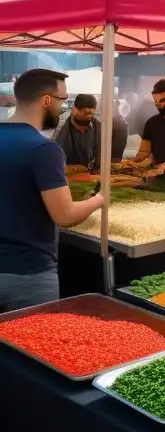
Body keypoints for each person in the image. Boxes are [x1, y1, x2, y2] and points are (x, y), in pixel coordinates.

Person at [0, 69, 105, 312]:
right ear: (47, 100)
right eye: (63, 100)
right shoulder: (43, 149)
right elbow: (65, 215)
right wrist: (100, 199)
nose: (64, 106)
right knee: (28, 349)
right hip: (27, 276)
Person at [53, 93, 101, 167]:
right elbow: (54, 158)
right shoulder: (60, 127)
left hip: (91, 174)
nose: (83, 129)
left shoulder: (97, 125)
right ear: (74, 110)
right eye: (85, 113)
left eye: (91, 114)